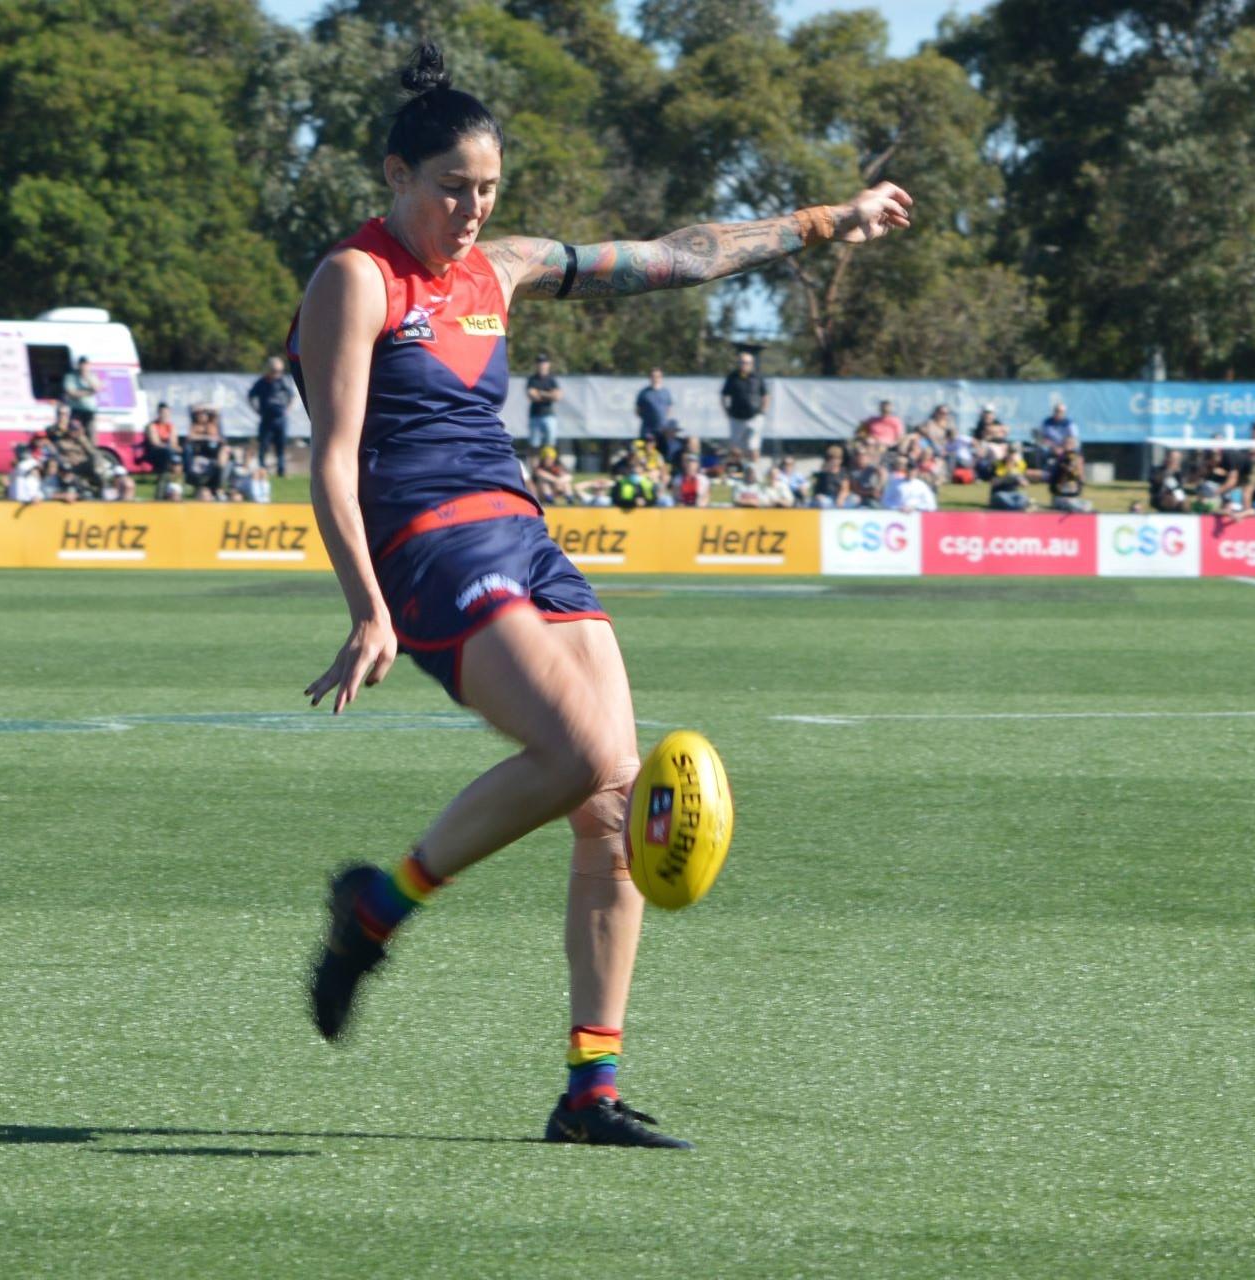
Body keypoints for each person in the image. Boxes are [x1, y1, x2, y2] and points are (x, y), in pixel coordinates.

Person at [286, 42, 911, 1149]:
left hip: (525, 536)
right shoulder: (358, 277)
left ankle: (590, 1091)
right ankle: (376, 907)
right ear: (393, 174)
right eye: (450, 187)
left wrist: (830, 218)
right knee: (576, 750)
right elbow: (332, 457)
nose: (472, 209)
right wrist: (366, 605)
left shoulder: (505, 265)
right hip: (431, 547)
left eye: (487, 188)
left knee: (612, 803)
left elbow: (680, 257)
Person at [249, 356, 296, 477]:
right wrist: (256, 409)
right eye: (274, 371)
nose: (277, 373)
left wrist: (287, 409)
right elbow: (251, 396)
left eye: (279, 371)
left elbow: (292, 396)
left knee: (280, 446)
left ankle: (281, 470)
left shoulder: (283, 382)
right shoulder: (261, 383)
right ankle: (261, 469)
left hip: (280, 418)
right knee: (264, 444)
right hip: (266, 418)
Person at [720, 350, 767, 456]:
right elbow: (724, 395)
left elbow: (765, 395)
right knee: (736, 448)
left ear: (752, 364)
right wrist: (726, 411)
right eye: (742, 362)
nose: (744, 365)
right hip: (736, 418)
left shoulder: (758, 377)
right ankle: (739, 469)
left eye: (747, 363)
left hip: (755, 418)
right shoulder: (732, 377)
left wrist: (762, 412)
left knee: (753, 446)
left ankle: (753, 470)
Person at [526, 353, 561, 451]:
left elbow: (557, 396)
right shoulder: (532, 379)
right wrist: (549, 394)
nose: (542, 365)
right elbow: (532, 395)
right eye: (539, 362)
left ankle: (548, 465)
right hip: (535, 415)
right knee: (534, 445)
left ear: (548, 364)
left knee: (550, 443)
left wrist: (541, 392)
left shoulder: (552, 379)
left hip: (549, 415)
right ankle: (535, 466)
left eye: (544, 362)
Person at [63, 356, 101, 436]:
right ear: (78, 365)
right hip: (76, 410)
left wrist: (86, 377)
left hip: (90, 410)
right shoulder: (71, 376)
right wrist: (89, 392)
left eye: (86, 364)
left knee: (91, 434)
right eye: (82, 364)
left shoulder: (92, 375)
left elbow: (97, 388)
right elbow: (71, 393)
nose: (84, 366)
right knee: (75, 433)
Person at [634, 368, 673, 445]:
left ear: (661, 378)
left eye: (658, 376)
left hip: (662, 430)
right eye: (653, 376)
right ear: (650, 378)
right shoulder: (644, 393)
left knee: (662, 453)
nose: (655, 378)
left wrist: (663, 421)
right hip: (647, 429)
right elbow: (637, 410)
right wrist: (648, 419)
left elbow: (669, 409)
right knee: (644, 452)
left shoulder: (666, 392)